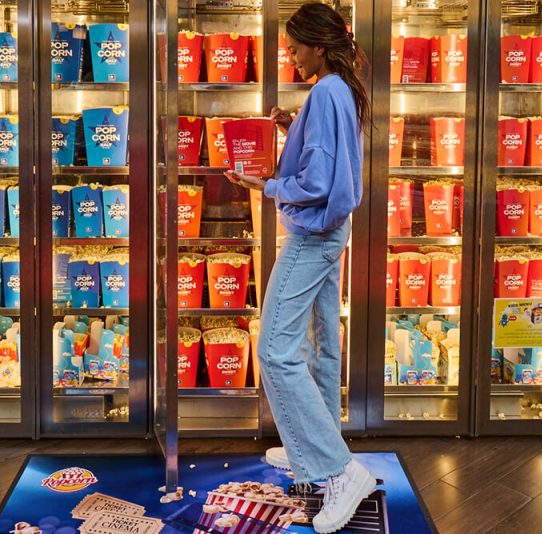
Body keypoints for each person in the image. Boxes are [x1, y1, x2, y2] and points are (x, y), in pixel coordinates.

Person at [224, 3, 374, 532]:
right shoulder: (339, 90)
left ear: (317, 45)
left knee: (274, 349)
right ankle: (312, 446)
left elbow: (316, 182)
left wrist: (265, 185)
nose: (289, 53)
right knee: (317, 343)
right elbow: (329, 157)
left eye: (294, 45)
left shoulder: (327, 91)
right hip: (332, 232)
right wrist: (294, 122)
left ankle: (335, 469)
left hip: (312, 235)